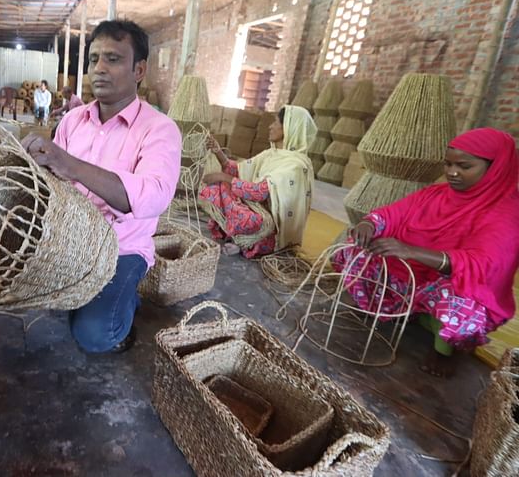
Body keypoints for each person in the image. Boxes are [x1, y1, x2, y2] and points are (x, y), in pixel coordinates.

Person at [21, 20, 181, 353]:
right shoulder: (72, 120)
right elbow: (51, 184)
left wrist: (70, 164)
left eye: (113, 59)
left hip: (121, 248)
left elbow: (152, 197)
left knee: (94, 336)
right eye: (94, 59)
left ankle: (125, 309)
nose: (99, 69)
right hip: (69, 241)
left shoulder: (160, 129)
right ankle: (93, 295)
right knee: (23, 291)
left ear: (139, 69)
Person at [339, 128, 519, 378]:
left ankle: (446, 352)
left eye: (464, 166)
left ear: (495, 167)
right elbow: (393, 214)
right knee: (357, 248)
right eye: (448, 164)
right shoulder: (436, 195)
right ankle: (404, 310)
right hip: (416, 277)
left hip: (455, 286)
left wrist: (412, 251)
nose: (452, 173)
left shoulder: (506, 213)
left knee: (461, 300)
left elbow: (484, 265)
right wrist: (369, 224)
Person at [199, 105, 316, 258]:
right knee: (218, 188)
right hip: (252, 207)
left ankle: (247, 242)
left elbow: (259, 192)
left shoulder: (296, 165)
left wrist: (222, 177)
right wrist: (217, 151)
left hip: (268, 226)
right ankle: (240, 239)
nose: (270, 126)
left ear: (289, 128)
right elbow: (238, 170)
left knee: (245, 213)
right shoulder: (272, 154)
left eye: (276, 122)